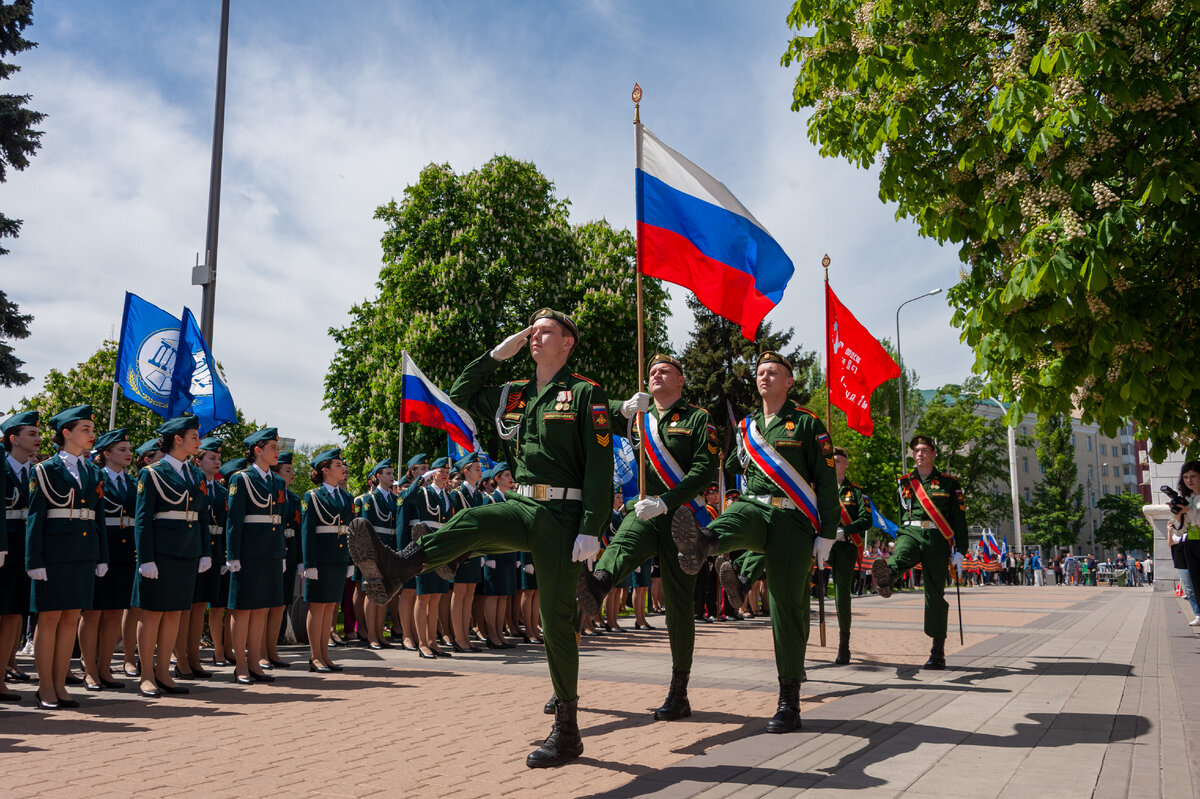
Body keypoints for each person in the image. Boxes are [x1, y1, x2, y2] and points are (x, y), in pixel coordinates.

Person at [349, 308, 610, 767]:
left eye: (546, 330)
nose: (535, 335)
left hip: (563, 515)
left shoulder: (586, 393)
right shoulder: (515, 396)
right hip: (523, 504)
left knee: (555, 618)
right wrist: (495, 354)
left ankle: (567, 730)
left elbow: (599, 468)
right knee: (474, 522)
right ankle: (400, 565)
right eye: (532, 330)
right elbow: (459, 395)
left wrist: (592, 526)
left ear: (568, 342)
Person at [672, 351, 838, 733]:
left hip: (794, 520)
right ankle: (701, 544)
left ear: (789, 381)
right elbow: (731, 466)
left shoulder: (808, 425)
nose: (764, 377)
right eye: (761, 372)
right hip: (755, 508)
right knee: (733, 516)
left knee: (786, 607)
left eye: (773, 372)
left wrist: (827, 533)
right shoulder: (747, 427)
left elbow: (826, 484)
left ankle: (789, 700)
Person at [576, 353, 717, 720]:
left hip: (681, 517)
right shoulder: (639, 418)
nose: (655, 374)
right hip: (643, 512)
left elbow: (704, 470)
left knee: (679, 607)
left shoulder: (697, 418)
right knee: (618, 549)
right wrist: (620, 411)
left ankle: (679, 690)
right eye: (652, 371)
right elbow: (591, 428)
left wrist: (667, 501)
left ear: (681, 380)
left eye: (665, 370)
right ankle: (596, 586)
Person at [24, 405, 108, 709]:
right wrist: (33, 561)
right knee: (49, 619)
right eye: (85, 429)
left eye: (92, 429)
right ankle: (45, 686)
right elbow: (36, 518)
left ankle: (60, 685)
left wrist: (101, 556)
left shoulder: (93, 471)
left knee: (71, 617)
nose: (91, 435)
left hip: (83, 552)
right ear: (66, 433)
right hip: (55, 553)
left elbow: (97, 518)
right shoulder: (45, 470)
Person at [130, 413, 211, 699]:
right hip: (161, 552)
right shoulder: (151, 473)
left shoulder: (196, 474)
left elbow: (202, 516)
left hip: (186, 552)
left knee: (175, 613)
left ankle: (164, 673)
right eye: (193, 437)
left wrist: (205, 551)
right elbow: (143, 520)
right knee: (152, 615)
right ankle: (147, 676)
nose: (198, 442)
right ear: (177, 439)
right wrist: (145, 558)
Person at [871, 435, 968, 670]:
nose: (919, 454)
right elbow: (901, 512)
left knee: (935, 594)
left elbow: (959, 519)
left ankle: (937, 652)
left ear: (934, 454)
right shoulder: (904, 482)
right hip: (911, 532)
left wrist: (961, 551)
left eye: (924, 450)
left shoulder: (949, 483)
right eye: (915, 450)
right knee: (902, 552)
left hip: (937, 538)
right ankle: (888, 575)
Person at [226, 429, 288, 684]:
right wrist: (233, 555)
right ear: (257, 450)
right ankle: (240, 664)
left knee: (261, 609)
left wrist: (281, 552)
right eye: (273, 447)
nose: (277, 452)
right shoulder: (241, 479)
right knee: (243, 610)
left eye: (277, 447)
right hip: (249, 552)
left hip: (271, 551)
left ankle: (255, 662)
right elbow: (234, 521)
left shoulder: (277, 482)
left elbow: (281, 520)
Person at [78, 427, 136, 691]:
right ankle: (89, 669)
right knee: (93, 612)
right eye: (122, 450)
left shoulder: (133, 482)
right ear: (106, 453)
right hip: (102, 548)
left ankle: (105, 668)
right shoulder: (95, 477)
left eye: (129, 450)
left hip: (124, 552)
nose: (128, 454)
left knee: (114, 612)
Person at [300, 447, 355, 672]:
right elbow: (307, 532)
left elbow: (351, 530)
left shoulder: (347, 497)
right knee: (318, 607)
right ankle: (315, 657)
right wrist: (309, 564)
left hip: (339, 558)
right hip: (321, 559)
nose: (343, 469)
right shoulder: (312, 496)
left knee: (331, 607)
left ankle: (325, 654)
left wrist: (350, 561)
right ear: (325, 470)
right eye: (338, 465)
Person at [174, 436, 224, 680]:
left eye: (219, 458)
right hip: (189, 547)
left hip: (210, 550)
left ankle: (194, 658)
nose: (217, 462)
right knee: (184, 608)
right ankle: (180, 658)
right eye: (211, 458)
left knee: (199, 608)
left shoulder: (220, 490)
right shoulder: (191, 481)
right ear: (198, 460)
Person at [1, 411, 40, 701]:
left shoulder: (35, 471)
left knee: (15, 614)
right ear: (13, 438)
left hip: (23, 550)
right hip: (4, 549)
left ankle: (5, 669)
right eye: (31, 434)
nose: (37, 439)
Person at [402, 456, 454, 658]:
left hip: (441, 548)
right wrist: (421, 478)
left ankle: (433, 641)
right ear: (433, 474)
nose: (446, 474)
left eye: (447, 471)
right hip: (425, 547)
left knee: (435, 597)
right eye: (442, 470)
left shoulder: (448, 495)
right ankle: (422, 642)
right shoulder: (424, 491)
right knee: (423, 596)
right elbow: (407, 497)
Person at [354, 458, 398, 650]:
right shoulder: (368, 500)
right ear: (378, 476)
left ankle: (380, 633)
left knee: (384, 594)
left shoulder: (395, 500)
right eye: (387, 473)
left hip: (388, 550)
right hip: (374, 550)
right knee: (372, 593)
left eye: (392, 473)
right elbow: (364, 529)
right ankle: (371, 635)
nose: (391, 476)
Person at [448, 453, 487, 651]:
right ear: (466, 472)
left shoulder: (478, 495)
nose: (481, 472)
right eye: (477, 469)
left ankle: (465, 636)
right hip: (461, 550)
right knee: (460, 591)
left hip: (474, 550)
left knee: (470, 593)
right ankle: (458, 637)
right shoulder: (457, 494)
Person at [478, 462, 519, 650]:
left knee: (504, 596)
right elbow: (486, 529)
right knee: (493, 596)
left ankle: (500, 634)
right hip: (494, 553)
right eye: (506, 475)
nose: (511, 478)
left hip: (508, 552)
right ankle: (491, 635)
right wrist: (487, 556)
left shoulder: (511, 499)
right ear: (497, 479)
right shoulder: (490, 499)